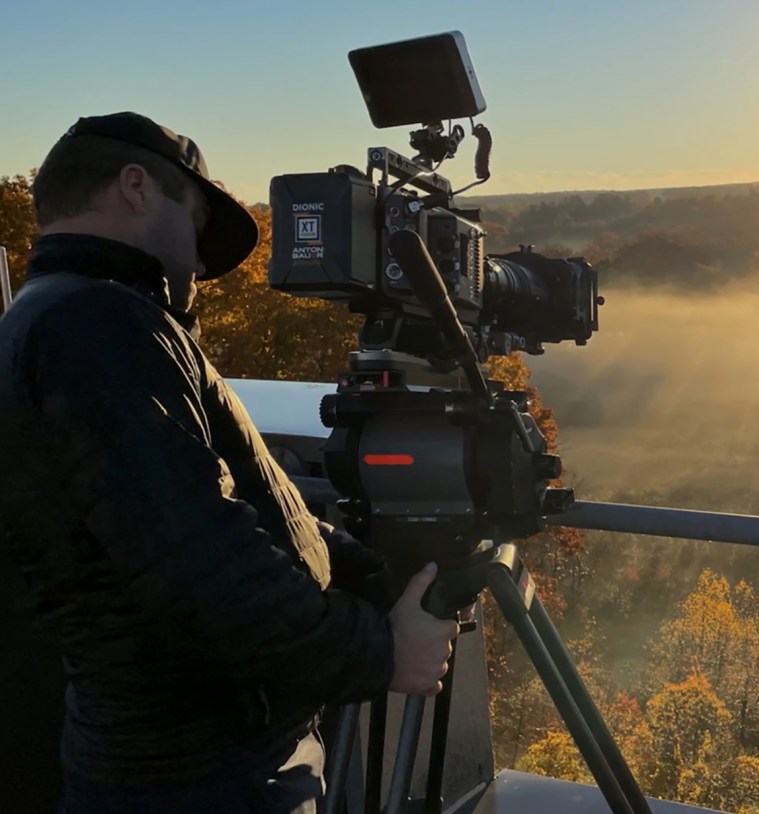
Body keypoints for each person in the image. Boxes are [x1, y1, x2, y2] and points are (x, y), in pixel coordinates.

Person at [0, 112, 460, 813]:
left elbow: (200, 506)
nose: (194, 267)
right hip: (203, 775)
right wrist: (382, 651)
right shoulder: (98, 326)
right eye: (192, 224)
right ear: (134, 187)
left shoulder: (51, 318)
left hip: (160, 759)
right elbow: (200, 563)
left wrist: (359, 567)